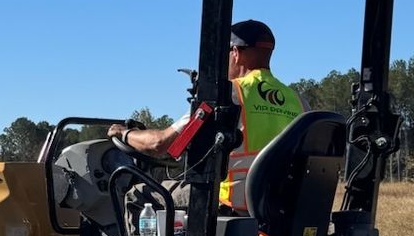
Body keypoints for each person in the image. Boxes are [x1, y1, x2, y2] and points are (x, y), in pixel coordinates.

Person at [109, 19, 304, 212]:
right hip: (278, 206)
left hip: (228, 200)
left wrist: (124, 134)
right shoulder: (299, 100)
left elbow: (160, 144)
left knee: (138, 195)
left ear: (235, 53)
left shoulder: (230, 94)